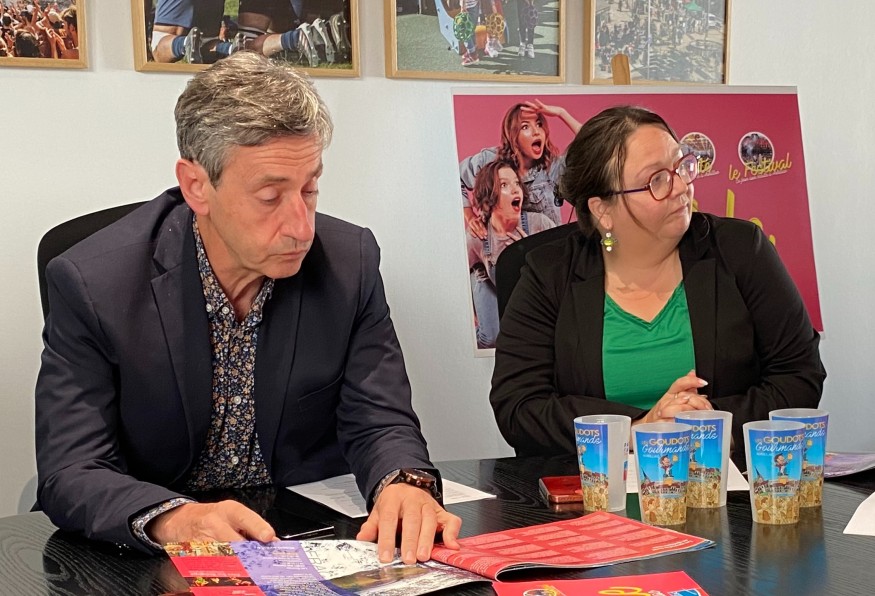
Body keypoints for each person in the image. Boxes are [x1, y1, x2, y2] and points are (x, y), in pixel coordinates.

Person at [35, 51, 461, 563]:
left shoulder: (351, 262)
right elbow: (72, 468)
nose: (301, 227)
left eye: (310, 188)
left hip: (302, 534)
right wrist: (176, 518)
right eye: (269, 196)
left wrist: (405, 483)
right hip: (152, 551)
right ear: (197, 186)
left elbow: (379, 418)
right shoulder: (92, 283)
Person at [490, 105, 825, 469]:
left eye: (682, 166)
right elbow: (518, 406)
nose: (681, 187)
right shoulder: (549, 273)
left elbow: (799, 375)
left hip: (723, 486)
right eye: (657, 180)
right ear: (603, 210)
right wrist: (637, 430)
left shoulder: (741, 250)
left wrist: (709, 425)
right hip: (597, 491)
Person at [460, 100, 581, 240]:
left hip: (545, 248)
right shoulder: (489, 160)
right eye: (525, 127)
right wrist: (470, 217)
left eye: (539, 124)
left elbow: (593, 141)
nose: (536, 132)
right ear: (513, 135)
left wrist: (561, 113)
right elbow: (451, 178)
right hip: (499, 248)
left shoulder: (552, 167)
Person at [467, 159, 554, 349]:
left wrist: (530, 256)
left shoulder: (540, 224)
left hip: (533, 292)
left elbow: (561, 273)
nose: (515, 190)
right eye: (504, 185)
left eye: (516, 183)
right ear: (489, 197)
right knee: (491, 339)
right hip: (493, 286)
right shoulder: (478, 235)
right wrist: (469, 313)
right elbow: (454, 276)